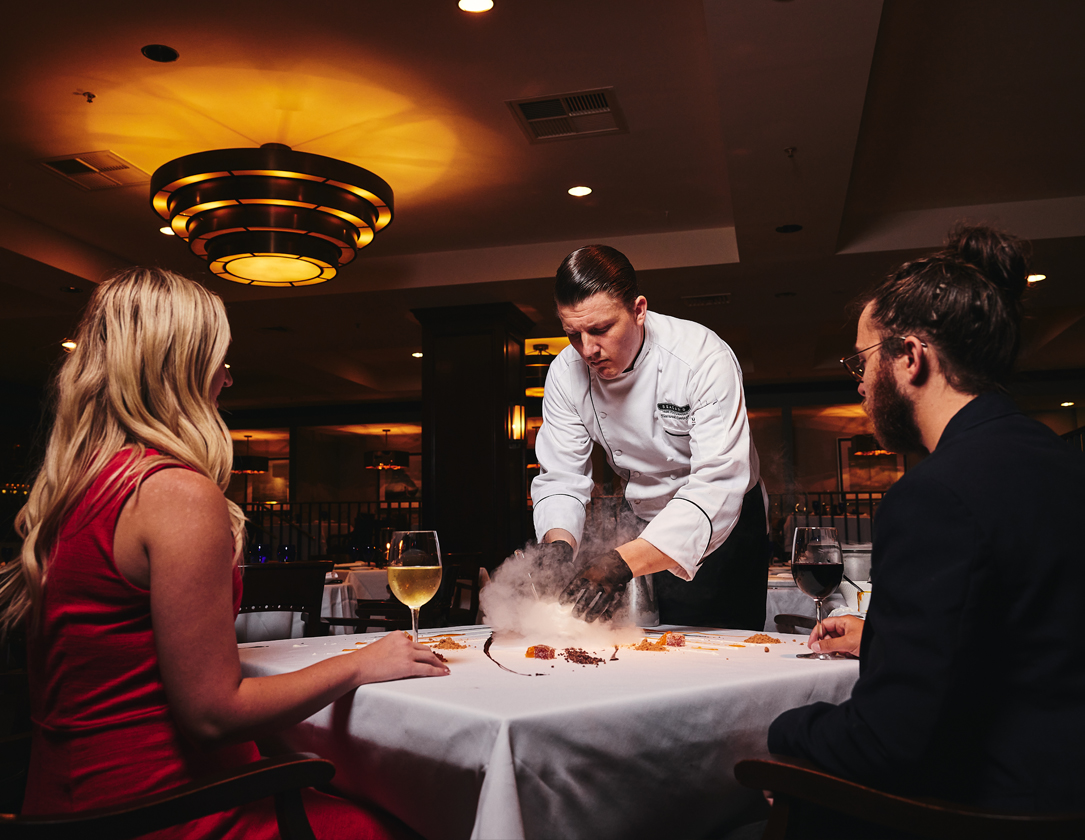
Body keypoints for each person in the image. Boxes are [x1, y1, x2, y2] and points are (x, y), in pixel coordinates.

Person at [0, 268, 448, 838]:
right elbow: (213, 715)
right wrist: (359, 662)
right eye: (218, 360)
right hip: (169, 810)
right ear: (181, 369)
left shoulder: (79, 487)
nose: (228, 380)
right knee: (410, 818)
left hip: (66, 807)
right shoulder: (175, 493)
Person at [767, 226, 1085, 826]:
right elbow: (1036, 634)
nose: (858, 384)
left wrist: (779, 732)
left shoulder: (933, 495)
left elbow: (886, 743)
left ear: (910, 358)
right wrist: (886, 638)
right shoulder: (1061, 460)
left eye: (861, 361)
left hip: (997, 812)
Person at [530, 244, 768, 629]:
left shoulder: (702, 357)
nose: (588, 350)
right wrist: (558, 546)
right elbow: (561, 476)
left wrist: (620, 562)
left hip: (725, 522)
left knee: (724, 651)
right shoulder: (563, 372)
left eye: (601, 329)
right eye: (573, 334)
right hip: (640, 516)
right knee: (642, 645)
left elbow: (717, 482)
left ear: (639, 310)